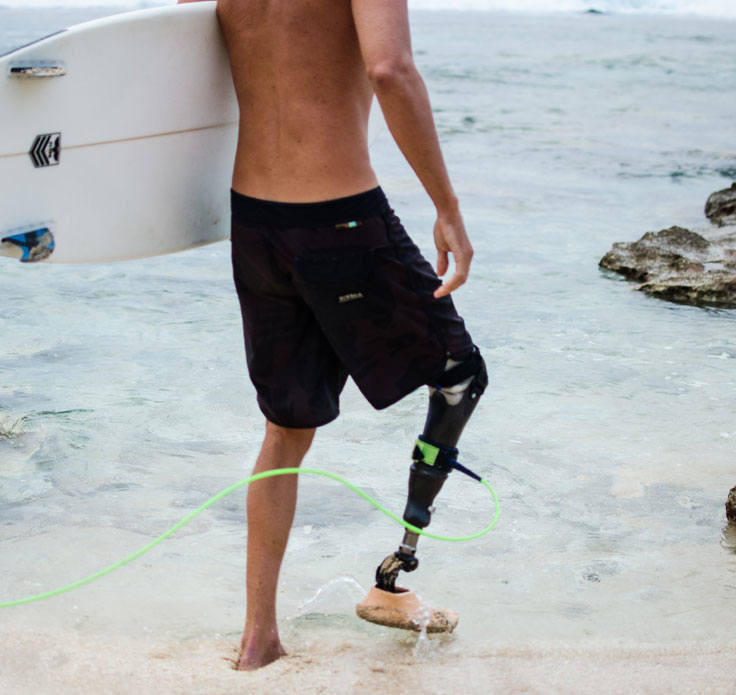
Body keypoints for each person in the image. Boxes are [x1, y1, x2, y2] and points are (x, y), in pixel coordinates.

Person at [182, 0, 488, 671]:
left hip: (254, 223)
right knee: (460, 376)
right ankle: (395, 573)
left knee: (285, 428)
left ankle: (258, 637)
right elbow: (389, 69)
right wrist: (447, 207)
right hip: (340, 219)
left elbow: (181, 55)